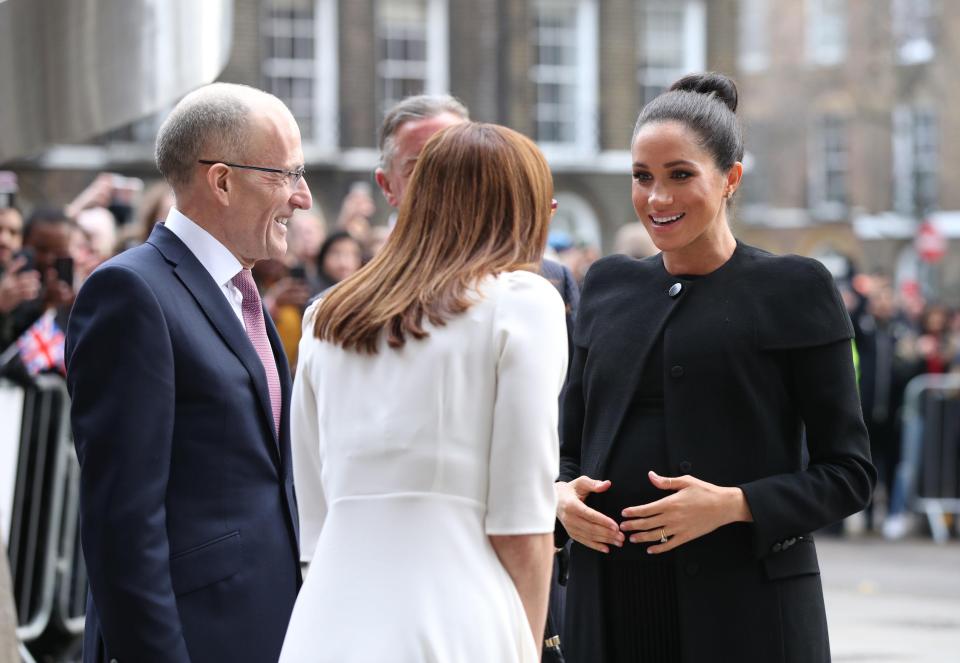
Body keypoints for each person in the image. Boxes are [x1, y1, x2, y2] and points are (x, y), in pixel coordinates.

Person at [555, 72, 876, 663]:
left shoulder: (794, 288)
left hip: (745, 615)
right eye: (642, 177)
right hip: (609, 610)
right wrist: (558, 496)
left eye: (680, 175)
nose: (657, 198)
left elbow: (849, 473)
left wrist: (734, 504)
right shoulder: (606, 285)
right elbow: (565, 447)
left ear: (731, 178)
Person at [281, 122, 566, 662]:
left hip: (329, 616)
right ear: (522, 209)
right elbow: (521, 519)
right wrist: (528, 646)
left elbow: (314, 514)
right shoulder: (524, 304)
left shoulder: (327, 317)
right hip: (459, 613)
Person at [65, 82, 311, 663]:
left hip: (269, 628)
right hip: (187, 640)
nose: (301, 198)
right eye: (286, 175)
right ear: (222, 180)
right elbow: (122, 523)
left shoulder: (245, 293)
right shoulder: (131, 291)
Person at [371, 93, 579, 658]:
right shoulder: (342, 311)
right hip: (420, 576)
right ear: (388, 185)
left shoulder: (551, 286)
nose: (455, 180)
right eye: (429, 165)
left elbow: (571, 413)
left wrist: (562, 490)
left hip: (535, 558)